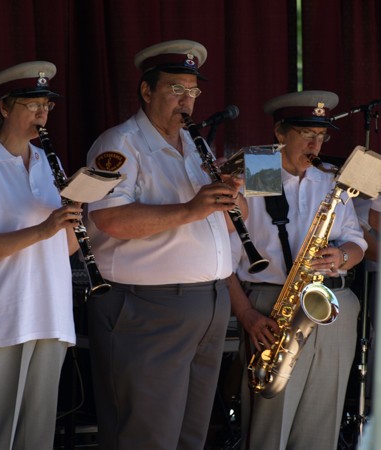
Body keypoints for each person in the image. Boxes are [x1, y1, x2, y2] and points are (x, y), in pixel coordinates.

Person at [84, 39, 245, 449]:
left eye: (193, 92)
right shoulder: (118, 145)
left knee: (190, 436)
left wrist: (233, 194)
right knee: (145, 436)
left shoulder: (196, 145)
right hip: (148, 308)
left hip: (207, 305)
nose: (187, 102)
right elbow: (109, 219)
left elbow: (228, 222)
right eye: (176, 89)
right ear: (147, 91)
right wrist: (193, 208)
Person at [0, 61, 82, 450]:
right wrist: (44, 228)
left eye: (47, 106)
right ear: (5, 107)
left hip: (52, 316)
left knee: (37, 438)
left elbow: (67, 249)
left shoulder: (49, 163)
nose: (42, 115)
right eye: (32, 104)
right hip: (5, 318)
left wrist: (75, 219)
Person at [228, 90, 368, 450]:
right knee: (269, 424)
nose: (315, 144)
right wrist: (245, 315)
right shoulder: (259, 171)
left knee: (323, 419)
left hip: (332, 302)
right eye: (307, 134)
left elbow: (356, 241)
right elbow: (221, 258)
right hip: (272, 304)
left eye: (321, 136)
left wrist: (342, 257)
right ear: (280, 133)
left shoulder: (329, 179)